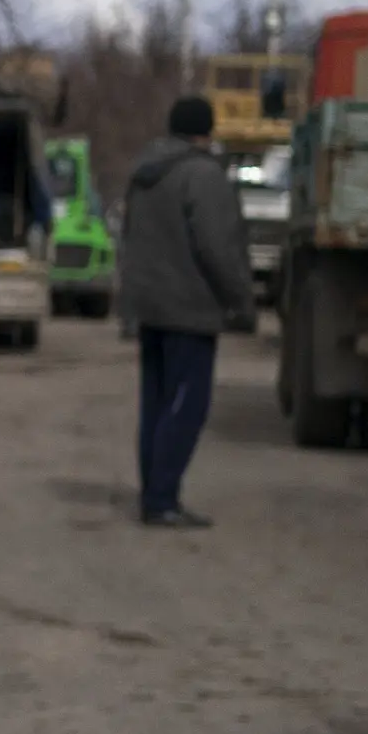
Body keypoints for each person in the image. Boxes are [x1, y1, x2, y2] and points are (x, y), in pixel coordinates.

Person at [117, 94, 255, 528]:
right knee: (187, 406)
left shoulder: (144, 174)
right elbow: (218, 248)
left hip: (150, 308)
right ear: (206, 131)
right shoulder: (203, 175)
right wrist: (240, 300)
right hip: (190, 310)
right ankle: (162, 500)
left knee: (155, 404)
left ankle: (154, 493)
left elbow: (128, 238)